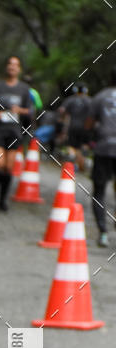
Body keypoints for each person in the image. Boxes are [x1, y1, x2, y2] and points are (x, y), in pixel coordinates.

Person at [0, 55, 33, 212]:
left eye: (15, 65)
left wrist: (20, 110)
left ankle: (3, 199)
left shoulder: (24, 89)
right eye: (10, 64)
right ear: (6, 67)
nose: (12, 67)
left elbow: (30, 110)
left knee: (9, 168)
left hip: (14, 132)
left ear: (19, 69)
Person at [86, 68, 116, 247]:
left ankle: (103, 233)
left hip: (104, 148)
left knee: (99, 191)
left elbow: (88, 124)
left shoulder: (100, 97)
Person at [59, 83, 92, 173]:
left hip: (72, 126)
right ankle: (80, 165)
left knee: (71, 146)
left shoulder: (70, 100)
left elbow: (62, 110)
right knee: (84, 146)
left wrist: (62, 123)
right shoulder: (89, 100)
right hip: (85, 128)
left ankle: (71, 162)